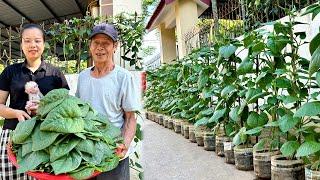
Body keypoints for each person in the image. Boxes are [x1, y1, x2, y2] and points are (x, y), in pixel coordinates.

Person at [0, 23, 69, 180]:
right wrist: (15, 113)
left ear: (43, 43)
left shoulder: (55, 74)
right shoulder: (10, 72)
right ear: (22, 43)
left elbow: (65, 107)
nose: (32, 45)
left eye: (37, 41)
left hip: (47, 137)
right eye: (27, 40)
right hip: (14, 134)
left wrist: (45, 109)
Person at [76, 23, 141, 180]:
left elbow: (131, 118)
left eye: (105, 43)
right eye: (96, 43)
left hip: (113, 152)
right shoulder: (83, 76)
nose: (100, 48)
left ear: (115, 46)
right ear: (90, 46)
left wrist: (123, 146)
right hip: (86, 153)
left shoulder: (123, 77)